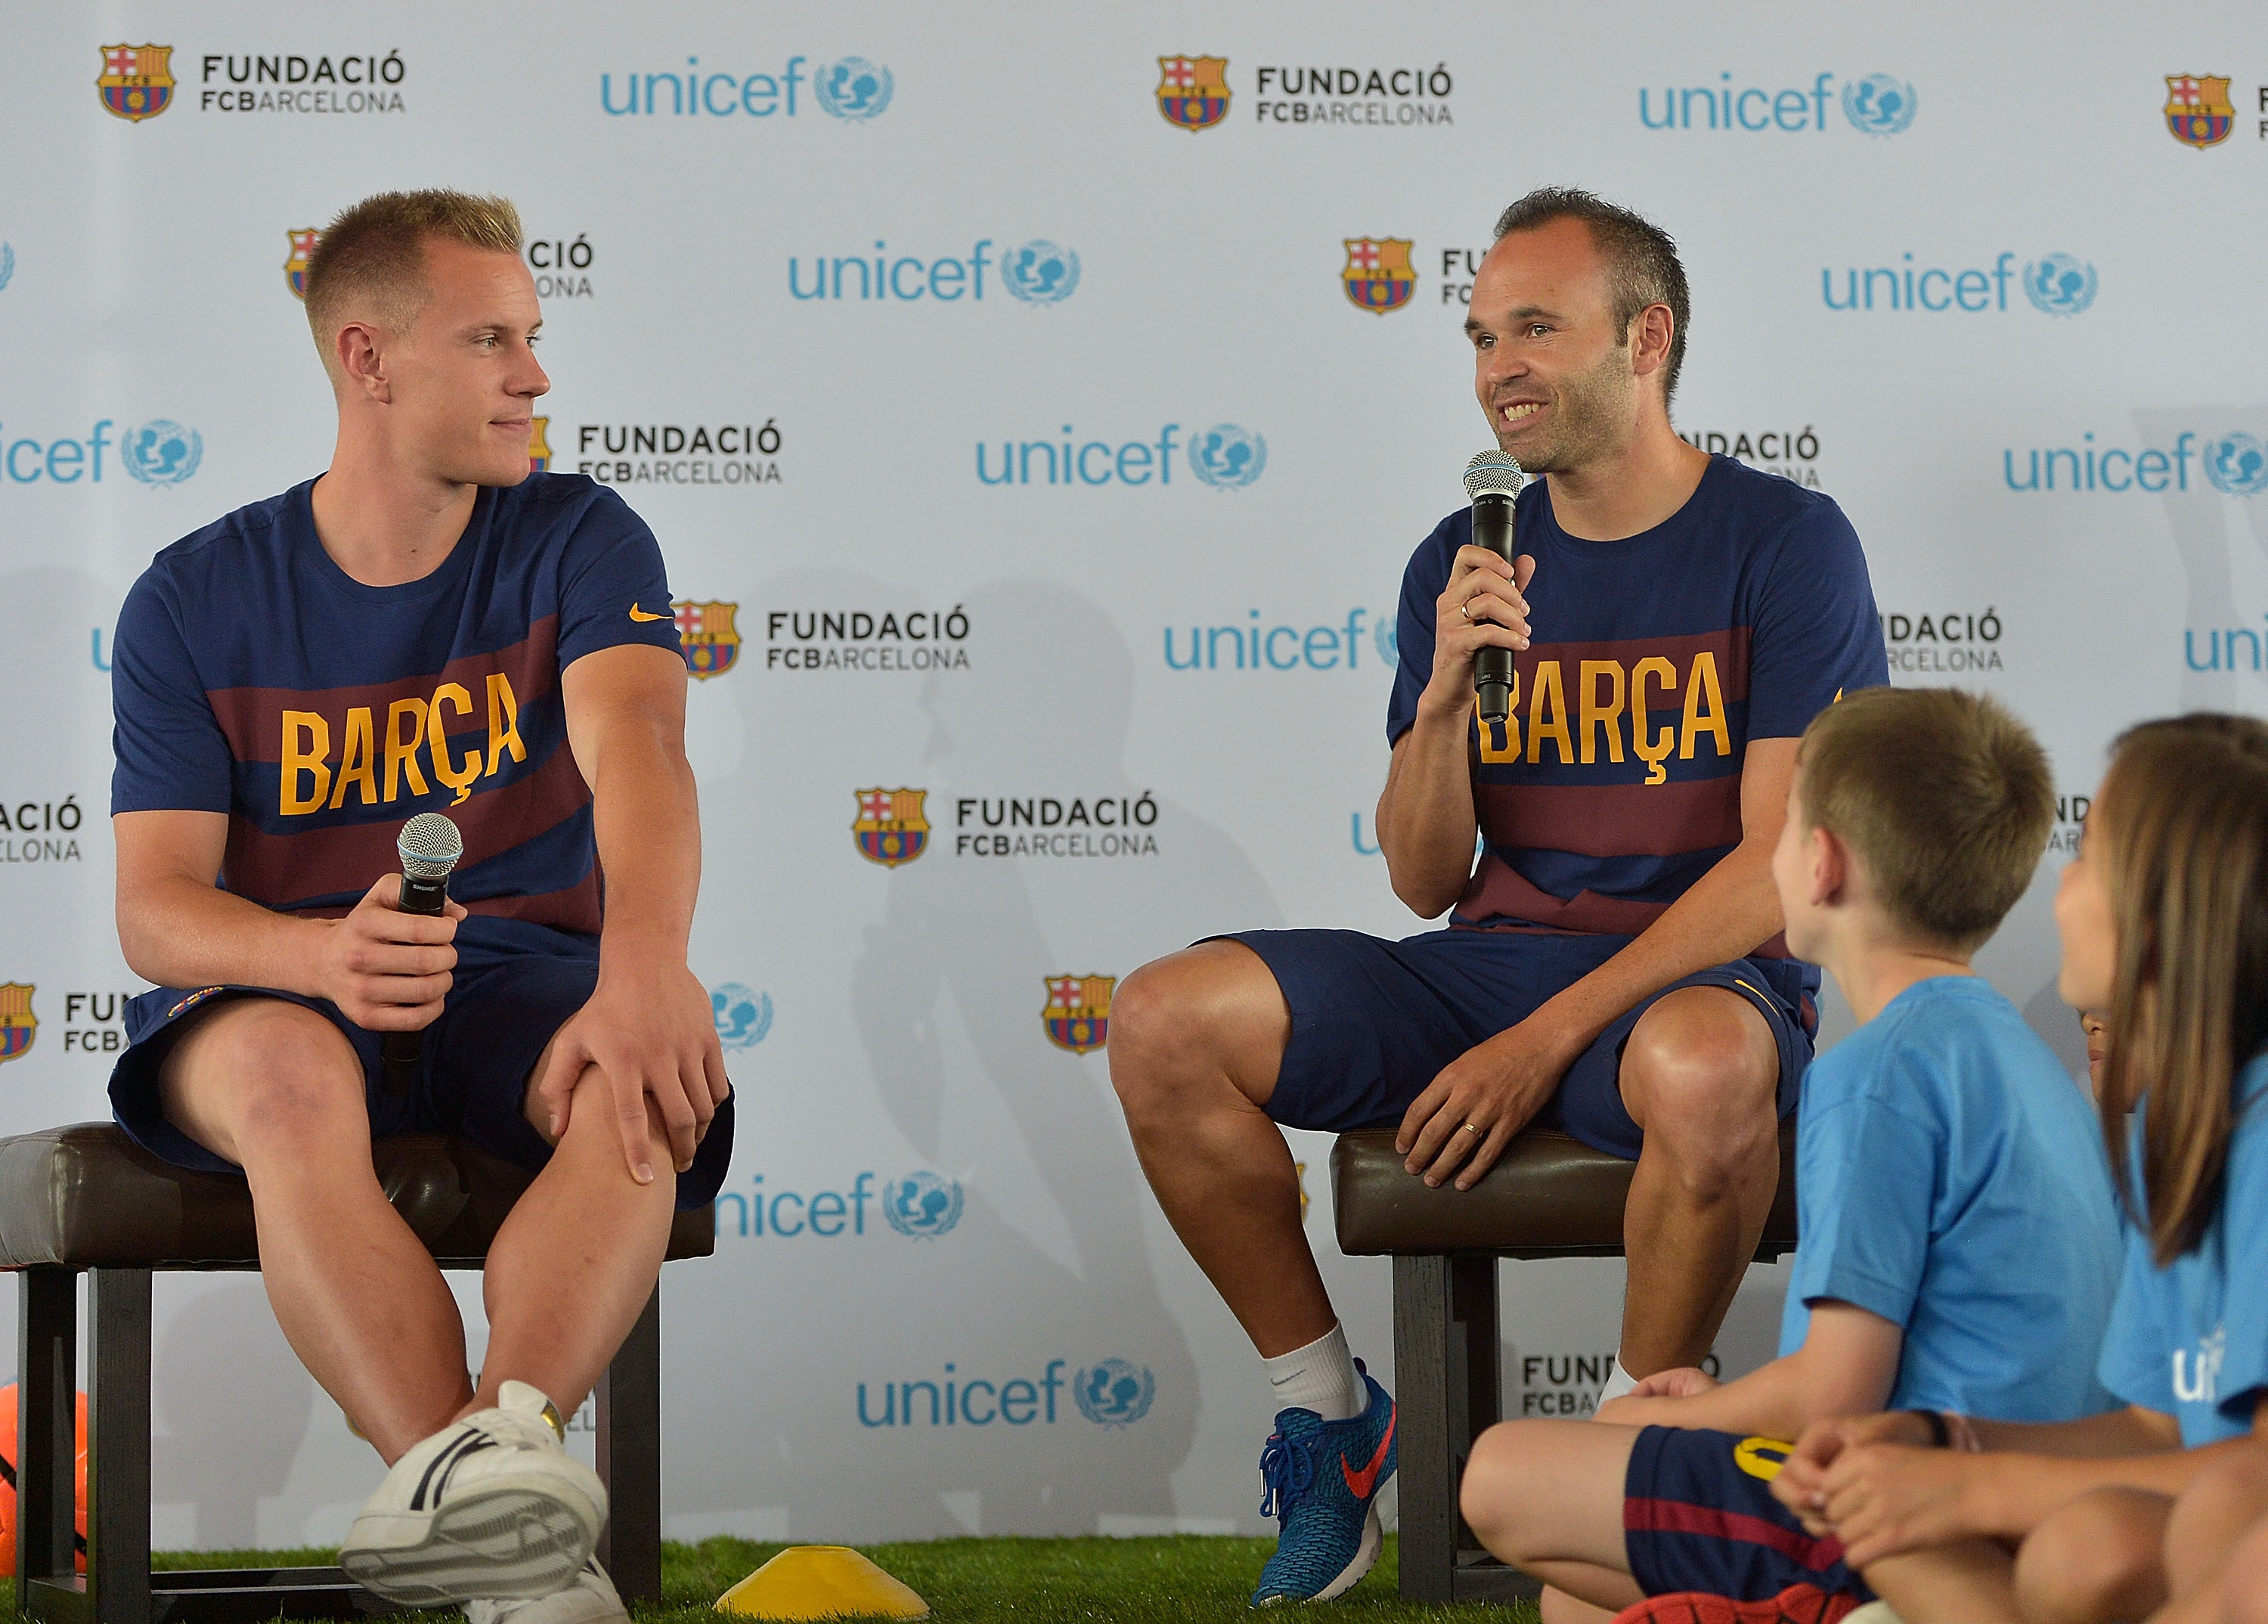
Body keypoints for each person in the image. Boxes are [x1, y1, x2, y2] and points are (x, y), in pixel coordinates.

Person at [1106, 186, 1886, 1605]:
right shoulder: (1458, 561)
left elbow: (1782, 858)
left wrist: (1543, 1041)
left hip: (1696, 985)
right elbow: (1420, 872)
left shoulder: (1787, 542)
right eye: (1479, 335)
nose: (1496, 366)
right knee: (1164, 1017)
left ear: (1646, 341)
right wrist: (1444, 710)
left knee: (1712, 1068)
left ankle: (1630, 1461)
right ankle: (1329, 1418)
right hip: (1489, 962)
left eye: (1536, 327)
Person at [107, 190, 733, 1624]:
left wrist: (646, 966)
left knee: (628, 1060)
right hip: (280, 990)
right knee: (281, 1064)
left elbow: (639, 750)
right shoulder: (193, 594)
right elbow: (156, 912)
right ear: (368, 359)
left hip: (513, 969)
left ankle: (488, 1496)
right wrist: (316, 950)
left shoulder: (580, 533)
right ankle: (495, 1525)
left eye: (536, 335)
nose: (537, 374)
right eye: (493, 339)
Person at [1456, 686, 2122, 1624]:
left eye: (1776, 832)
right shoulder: (2022, 1059)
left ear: (1821, 864)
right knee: (1571, 1599)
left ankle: (1855, 1608)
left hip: (1908, 1513)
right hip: (2023, 1505)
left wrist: (1665, 1419)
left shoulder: (1875, 1071)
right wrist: (1710, 1411)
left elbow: (1834, 1393)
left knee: (1502, 1474)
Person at [1761, 714, 2268, 1624]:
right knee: (2087, 1546)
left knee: (2188, 1534)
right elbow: (2156, 1427)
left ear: (2158, 921)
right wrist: (1940, 1444)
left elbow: (2251, 1478)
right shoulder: (2177, 1136)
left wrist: (1975, 1493)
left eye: (2085, 860)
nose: (2059, 886)